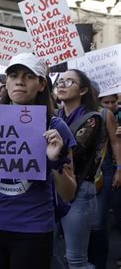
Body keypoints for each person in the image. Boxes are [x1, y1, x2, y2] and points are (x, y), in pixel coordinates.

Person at [0, 53, 77, 269]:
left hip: (33, 230)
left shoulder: (55, 127)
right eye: (13, 75)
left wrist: (55, 162)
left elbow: (69, 193)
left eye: (28, 76)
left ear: (41, 84)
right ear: (6, 82)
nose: (19, 81)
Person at [56, 69, 104, 268]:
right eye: (59, 81)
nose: (61, 84)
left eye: (69, 82)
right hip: (53, 190)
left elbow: (71, 150)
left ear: (83, 90)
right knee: (44, 252)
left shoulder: (93, 118)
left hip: (79, 192)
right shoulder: (55, 116)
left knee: (76, 259)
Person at [88, 93, 121, 269]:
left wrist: (119, 170)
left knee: (99, 221)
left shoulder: (104, 114)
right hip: (80, 175)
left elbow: (116, 143)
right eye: (106, 102)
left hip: (104, 170)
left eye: (113, 102)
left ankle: (98, 263)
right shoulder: (65, 113)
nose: (110, 105)